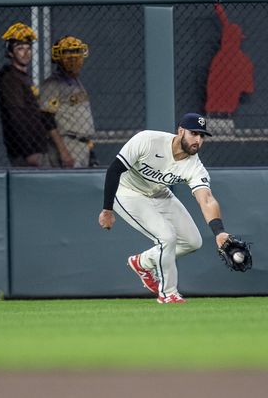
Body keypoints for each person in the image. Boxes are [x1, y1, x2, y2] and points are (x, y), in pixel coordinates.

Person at [97, 113, 231, 304]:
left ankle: (143, 262)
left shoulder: (195, 166)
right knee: (167, 237)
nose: (198, 140)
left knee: (193, 242)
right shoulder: (148, 140)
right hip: (128, 193)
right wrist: (107, 209)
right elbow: (114, 170)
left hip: (159, 193)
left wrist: (219, 232)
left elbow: (207, 199)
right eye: (194, 133)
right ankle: (168, 293)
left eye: (202, 136)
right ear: (181, 131)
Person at [0, 22, 74, 168]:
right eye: (20, 49)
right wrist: (29, 152)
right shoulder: (10, 79)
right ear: (10, 52)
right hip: (26, 153)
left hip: (35, 148)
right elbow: (16, 117)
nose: (26, 52)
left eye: (28, 48)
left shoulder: (21, 77)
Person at [39, 36, 97, 168]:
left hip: (82, 144)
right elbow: (47, 119)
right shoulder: (52, 84)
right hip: (67, 143)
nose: (73, 57)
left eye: (76, 51)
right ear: (58, 57)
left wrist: (89, 148)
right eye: (67, 53)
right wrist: (63, 151)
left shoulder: (76, 82)